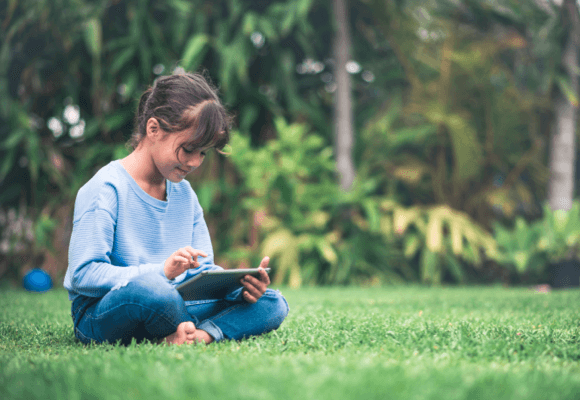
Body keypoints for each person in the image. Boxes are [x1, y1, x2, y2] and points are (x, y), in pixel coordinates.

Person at [63, 72, 289, 346]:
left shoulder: (184, 193)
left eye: (203, 153)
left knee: (272, 302)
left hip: (173, 302)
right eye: (188, 149)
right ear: (153, 129)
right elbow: (83, 274)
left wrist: (238, 290)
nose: (194, 162)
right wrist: (161, 272)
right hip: (105, 313)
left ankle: (197, 335)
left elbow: (200, 273)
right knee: (154, 291)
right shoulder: (106, 189)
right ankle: (185, 327)